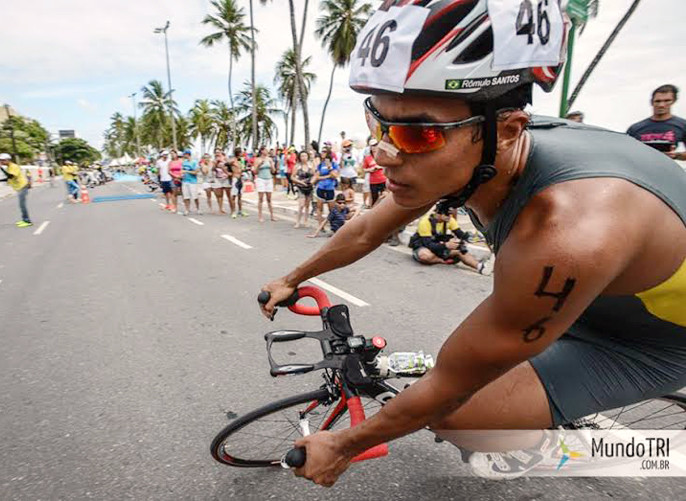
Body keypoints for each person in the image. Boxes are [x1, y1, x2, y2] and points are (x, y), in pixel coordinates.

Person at [259, 0, 686, 485]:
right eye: (376, 123)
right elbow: (370, 226)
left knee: (456, 416)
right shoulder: (482, 148)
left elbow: (451, 385)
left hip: (648, 342)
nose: (383, 153)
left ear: (506, 131)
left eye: (416, 136)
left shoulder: (566, 231)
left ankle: (640, 454)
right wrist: (293, 277)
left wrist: (340, 445)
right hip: (590, 297)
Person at [409, 206, 489, 274]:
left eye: (449, 214)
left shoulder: (449, 220)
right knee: (425, 256)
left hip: (439, 246)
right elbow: (428, 244)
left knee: (460, 251)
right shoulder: (425, 222)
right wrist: (446, 245)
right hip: (425, 246)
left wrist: (470, 238)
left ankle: (480, 267)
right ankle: (441, 260)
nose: (449, 217)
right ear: (438, 213)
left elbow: (460, 234)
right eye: (446, 214)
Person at [627, 84, 686, 160]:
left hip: (666, 169)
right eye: (658, 101)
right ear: (651, 102)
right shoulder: (635, 128)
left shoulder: (682, 125)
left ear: (673, 101)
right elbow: (625, 153)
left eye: (667, 101)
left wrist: (676, 155)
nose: (661, 105)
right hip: (640, 169)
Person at [0, 153, 32, 227]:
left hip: (22, 186)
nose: (1, 162)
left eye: (3, 160)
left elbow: (10, 176)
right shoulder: (9, 167)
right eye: (0, 160)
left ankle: (27, 221)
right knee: (21, 205)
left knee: (22, 205)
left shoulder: (13, 166)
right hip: (19, 187)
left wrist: (1, 168)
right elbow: (9, 178)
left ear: (8, 160)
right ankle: (24, 219)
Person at [312, 150, 338, 228]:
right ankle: (320, 226)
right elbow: (317, 176)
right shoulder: (320, 165)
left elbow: (334, 175)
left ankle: (333, 225)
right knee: (319, 207)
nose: (322, 153)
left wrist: (330, 168)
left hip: (330, 188)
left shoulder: (334, 164)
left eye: (324, 151)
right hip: (321, 187)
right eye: (322, 152)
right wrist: (327, 176)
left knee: (332, 209)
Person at [253, 146, 278, 222]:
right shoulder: (257, 160)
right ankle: (260, 216)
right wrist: (259, 165)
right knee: (261, 198)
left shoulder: (269, 159)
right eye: (265, 150)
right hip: (261, 179)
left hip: (269, 179)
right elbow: (255, 172)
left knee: (269, 199)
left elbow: (273, 171)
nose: (267, 151)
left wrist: (272, 165)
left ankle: (272, 216)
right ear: (262, 151)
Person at [292, 150, 315, 228]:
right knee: (301, 204)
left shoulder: (311, 165)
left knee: (307, 205)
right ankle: (298, 221)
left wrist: (312, 182)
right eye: (302, 156)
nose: (304, 157)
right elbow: (292, 177)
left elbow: (315, 175)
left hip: (309, 186)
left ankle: (306, 221)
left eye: (305, 156)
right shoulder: (297, 166)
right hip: (301, 187)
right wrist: (300, 182)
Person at [229, 147, 248, 218]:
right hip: (235, 178)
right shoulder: (233, 160)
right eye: (241, 152)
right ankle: (233, 211)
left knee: (240, 196)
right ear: (238, 153)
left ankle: (240, 211)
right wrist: (228, 173)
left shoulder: (241, 160)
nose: (242, 153)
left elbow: (243, 169)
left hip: (240, 178)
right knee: (233, 196)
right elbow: (225, 165)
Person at [181, 150, 201, 216]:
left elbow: (195, 172)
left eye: (185, 154)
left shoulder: (194, 162)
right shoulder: (184, 162)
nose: (184, 156)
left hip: (193, 182)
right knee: (186, 197)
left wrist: (187, 171)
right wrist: (182, 174)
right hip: (185, 181)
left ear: (188, 154)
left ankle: (198, 209)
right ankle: (187, 209)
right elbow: (182, 170)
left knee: (195, 197)